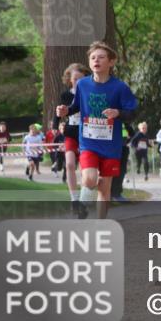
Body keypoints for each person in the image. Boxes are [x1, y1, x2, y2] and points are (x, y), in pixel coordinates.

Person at [56, 41, 138, 219]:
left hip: (111, 145)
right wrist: (66, 111)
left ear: (111, 62)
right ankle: (84, 203)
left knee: (104, 187)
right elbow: (75, 106)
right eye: (93, 58)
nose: (96, 61)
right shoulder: (83, 85)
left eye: (101, 57)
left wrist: (117, 112)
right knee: (90, 179)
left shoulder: (120, 87)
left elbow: (132, 112)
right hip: (88, 142)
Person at [55, 63, 92, 215]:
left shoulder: (90, 93)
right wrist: (55, 125)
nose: (77, 82)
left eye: (81, 79)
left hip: (87, 134)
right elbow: (59, 112)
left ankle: (84, 199)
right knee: (69, 164)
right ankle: (74, 199)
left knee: (85, 168)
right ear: (70, 80)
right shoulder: (65, 95)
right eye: (75, 79)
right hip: (71, 132)